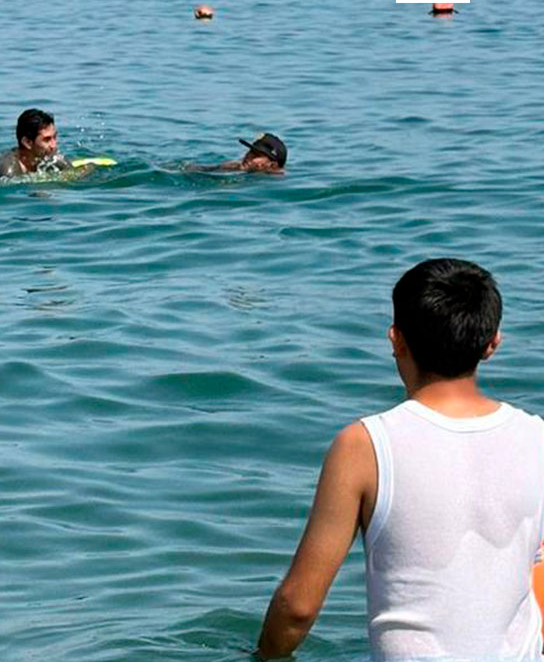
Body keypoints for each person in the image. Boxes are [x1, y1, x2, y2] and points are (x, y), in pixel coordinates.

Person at [256, 258, 544, 661]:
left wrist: (263, 656)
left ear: (396, 340)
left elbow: (298, 607)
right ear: (493, 343)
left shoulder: (365, 446)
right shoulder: (536, 437)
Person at [0, 108, 71, 179]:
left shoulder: (53, 158)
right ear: (27, 142)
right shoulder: (7, 170)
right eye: (47, 139)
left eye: (55, 137)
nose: (54, 145)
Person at [190, 133, 286, 173]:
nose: (248, 156)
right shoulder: (233, 167)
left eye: (256, 155)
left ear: (273, 164)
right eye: (250, 151)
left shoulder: (274, 182)